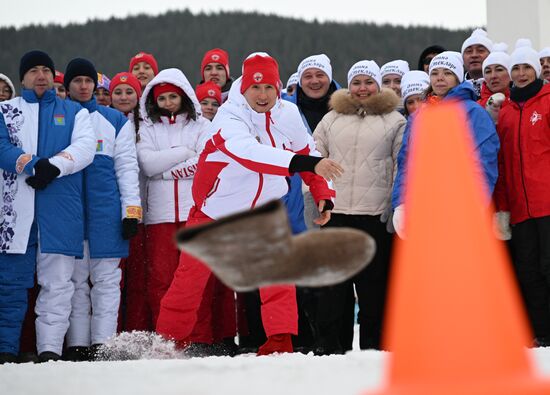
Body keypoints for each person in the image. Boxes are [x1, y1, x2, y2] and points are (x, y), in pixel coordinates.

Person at [156, 53, 340, 356]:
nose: (263, 95)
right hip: (215, 211)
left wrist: (323, 192)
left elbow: (308, 149)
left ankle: (280, 341)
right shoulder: (229, 116)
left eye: (269, 87)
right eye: (256, 88)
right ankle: (168, 342)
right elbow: (249, 154)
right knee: (190, 279)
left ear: (278, 87)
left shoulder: (289, 114)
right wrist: (304, 163)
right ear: (243, 89)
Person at [0, 50, 95, 363]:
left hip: (60, 210)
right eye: (33, 71)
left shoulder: (73, 111)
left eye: (46, 70)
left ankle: (49, 350)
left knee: (58, 286)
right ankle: (5, 350)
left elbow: (84, 147)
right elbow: (2, 146)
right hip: (14, 213)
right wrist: (31, 164)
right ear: (23, 77)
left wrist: (54, 167)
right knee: (10, 286)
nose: (40, 76)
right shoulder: (6, 110)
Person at [312, 60, 406, 353]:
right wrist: (316, 197)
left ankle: (373, 350)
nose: (362, 88)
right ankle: (331, 351)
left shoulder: (395, 121)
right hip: (334, 215)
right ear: (348, 86)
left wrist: (393, 208)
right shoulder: (331, 119)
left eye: (368, 82)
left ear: (378, 85)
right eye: (356, 82)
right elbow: (312, 159)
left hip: (373, 217)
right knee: (332, 291)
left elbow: (399, 168)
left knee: (373, 292)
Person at [61, 58, 141, 361]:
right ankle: (78, 343)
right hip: (69, 211)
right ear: (67, 85)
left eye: (88, 80)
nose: (83, 86)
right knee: (76, 281)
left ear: (96, 85)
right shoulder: (58, 117)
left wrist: (130, 212)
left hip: (106, 210)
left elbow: (127, 168)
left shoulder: (115, 120)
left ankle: (103, 344)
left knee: (108, 281)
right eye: (77, 80)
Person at [392, 51, 500, 238]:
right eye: (435, 73)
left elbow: (483, 163)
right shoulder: (420, 116)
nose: (440, 78)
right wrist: (401, 203)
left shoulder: (474, 112)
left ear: (458, 78)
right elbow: (406, 163)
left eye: (447, 73)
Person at [136, 68, 211, 329]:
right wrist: (183, 152)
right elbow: (147, 164)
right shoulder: (147, 128)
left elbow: (205, 162)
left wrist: (165, 173)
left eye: (173, 96)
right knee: (161, 277)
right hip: (159, 214)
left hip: (195, 212)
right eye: (162, 98)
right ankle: (165, 336)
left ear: (184, 96)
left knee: (194, 278)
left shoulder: (202, 125)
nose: (168, 103)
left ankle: (197, 336)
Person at [493, 39, 550, 347]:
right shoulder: (507, 111)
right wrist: (502, 207)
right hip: (520, 209)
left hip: (548, 204)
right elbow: (500, 163)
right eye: (516, 68)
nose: (522, 73)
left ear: (537, 69)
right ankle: (541, 332)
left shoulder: (548, 100)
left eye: (527, 66)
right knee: (528, 271)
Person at [109, 72, 152, 332]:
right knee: (113, 277)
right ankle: (110, 331)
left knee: (138, 278)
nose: (124, 97)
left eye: (129, 92)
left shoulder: (148, 125)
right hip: (109, 209)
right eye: (118, 92)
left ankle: (135, 330)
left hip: (143, 210)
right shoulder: (101, 122)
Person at [478, 43, 511, 123]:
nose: (493, 76)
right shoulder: (477, 107)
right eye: (488, 71)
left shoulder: (522, 103)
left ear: (510, 73)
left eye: (499, 70)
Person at [461, 28, 493, 99]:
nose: (474, 55)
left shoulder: (503, 88)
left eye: (480, 50)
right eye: (469, 51)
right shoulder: (455, 89)